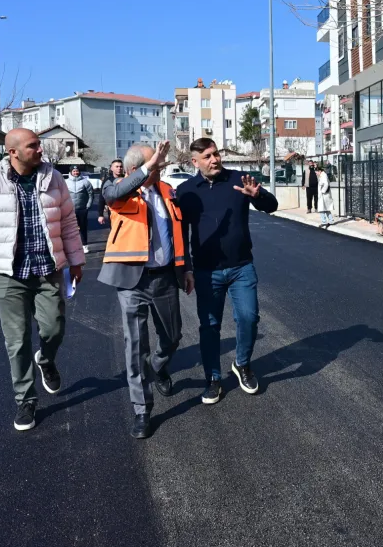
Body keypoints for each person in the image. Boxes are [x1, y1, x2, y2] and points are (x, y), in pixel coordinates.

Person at [0, 128, 85, 432]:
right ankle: (26, 400)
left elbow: (68, 221)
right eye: (33, 146)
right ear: (12, 152)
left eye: (39, 145)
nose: (40, 150)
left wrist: (77, 259)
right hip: (9, 274)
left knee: (54, 327)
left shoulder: (54, 178)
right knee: (16, 342)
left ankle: (47, 359)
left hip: (48, 269)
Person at [98, 140, 193, 439]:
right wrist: (145, 170)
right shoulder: (120, 192)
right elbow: (112, 195)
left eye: (159, 163)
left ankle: (159, 366)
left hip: (165, 278)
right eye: (154, 164)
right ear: (133, 169)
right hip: (132, 280)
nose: (160, 167)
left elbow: (180, 232)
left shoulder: (168, 192)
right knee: (136, 346)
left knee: (173, 336)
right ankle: (142, 410)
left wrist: (186, 267)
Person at [176, 137, 278, 404]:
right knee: (209, 326)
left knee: (249, 317)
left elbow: (272, 207)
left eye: (216, 154)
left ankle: (242, 364)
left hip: (241, 267)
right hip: (207, 272)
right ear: (194, 162)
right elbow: (180, 233)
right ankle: (213, 378)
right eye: (207, 157)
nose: (214, 160)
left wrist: (258, 195)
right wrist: (186, 268)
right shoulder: (187, 191)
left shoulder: (238, 180)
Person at [66, 166, 94, 253]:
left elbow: (91, 194)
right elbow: (62, 195)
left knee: (83, 228)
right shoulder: (65, 182)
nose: (75, 173)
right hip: (70, 209)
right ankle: (72, 246)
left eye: (77, 171)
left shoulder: (85, 182)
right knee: (71, 229)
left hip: (82, 209)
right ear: (71, 172)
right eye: (74, 171)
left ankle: (84, 245)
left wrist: (88, 206)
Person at [98, 159, 125, 226]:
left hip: (126, 211)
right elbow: (102, 197)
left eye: (121, 166)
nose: (119, 168)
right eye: (117, 166)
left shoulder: (127, 179)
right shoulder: (107, 181)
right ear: (111, 168)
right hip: (113, 211)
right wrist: (100, 215)